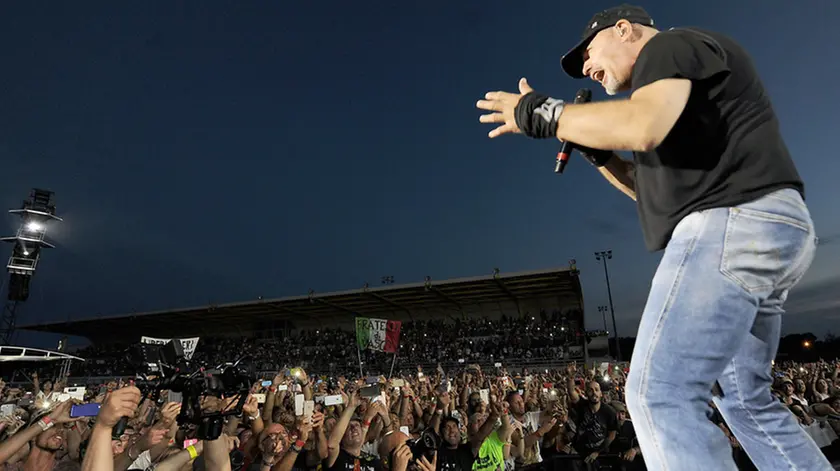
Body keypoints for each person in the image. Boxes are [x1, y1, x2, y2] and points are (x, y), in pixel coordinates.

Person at [475, 4, 830, 470]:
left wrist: (547, 113)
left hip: (732, 221)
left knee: (658, 394)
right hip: (768, 225)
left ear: (624, 30)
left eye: (587, 51)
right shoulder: (678, 92)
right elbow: (649, 190)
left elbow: (641, 126)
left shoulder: (664, 48)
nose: (584, 66)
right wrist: (599, 154)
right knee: (744, 402)